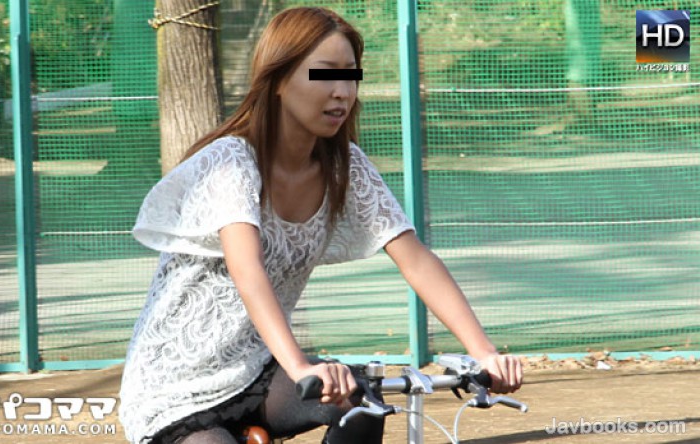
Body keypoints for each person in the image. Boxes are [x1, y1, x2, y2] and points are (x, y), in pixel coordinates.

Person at [119, 6, 523, 444]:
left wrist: (484, 353)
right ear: (278, 79)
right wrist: (299, 366)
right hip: (175, 389)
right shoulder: (230, 162)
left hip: (256, 371)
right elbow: (247, 270)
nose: (341, 92)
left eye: (350, 77)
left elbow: (415, 259)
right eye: (325, 74)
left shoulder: (345, 167)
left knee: (362, 399)